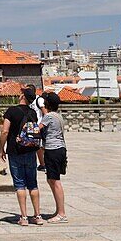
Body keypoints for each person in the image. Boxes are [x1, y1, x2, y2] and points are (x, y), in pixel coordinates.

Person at [0, 86, 43, 226]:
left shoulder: (12, 111)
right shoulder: (33, 113)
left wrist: (1, 149)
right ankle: (37, 215)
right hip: (30, 150)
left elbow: (5, 131)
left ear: (23, 96)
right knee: (33, 184)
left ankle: (24, 217)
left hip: (15, 150)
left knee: (19, 184)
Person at [39, 92, 68, 223]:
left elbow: (37, 129)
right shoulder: (58, 116)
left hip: (53, 149)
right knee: (52, 179)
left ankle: (61, 213)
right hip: (60, 149)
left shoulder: (49, 116)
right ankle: (59, 210)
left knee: (55, 181)